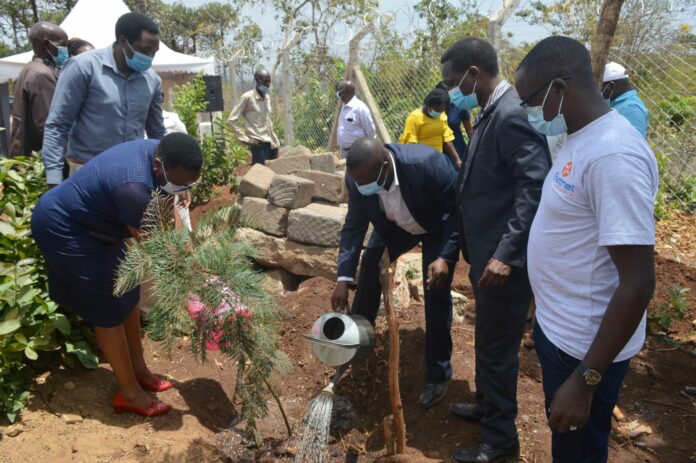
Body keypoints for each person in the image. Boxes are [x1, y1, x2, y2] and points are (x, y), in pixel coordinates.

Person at [516, 36, 657, 463]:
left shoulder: (613, 155)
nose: (527, 113)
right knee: (569, 447)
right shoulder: (580, 138)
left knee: (579, 451)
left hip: (584, 350)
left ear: (560, 88)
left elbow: (638, 281)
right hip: (562, 333)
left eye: (529, 102)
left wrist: (586, 379)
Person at [31, 133, 202, 417]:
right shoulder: (134, 189)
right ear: (158, 165)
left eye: (189, 184)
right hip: (65, 228)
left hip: (98, 226)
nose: (182, 189)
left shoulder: (166, 154)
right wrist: (192, 290)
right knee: (109, 307)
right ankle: (130, 393)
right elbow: (156, 247)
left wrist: (191, 255)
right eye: (178, 182)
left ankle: (139, 371)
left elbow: (169, 213)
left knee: (129, 293)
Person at [440, 37, 551, 463]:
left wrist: (507, 253)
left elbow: (534, 187)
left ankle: (500, 439)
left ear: (473, 74)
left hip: (504, 261)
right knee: (487, 339)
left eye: (453, 82)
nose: (451, 90)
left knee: (497, 349)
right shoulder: (489, 111)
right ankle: (487, 406)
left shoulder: (509, 114)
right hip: (487, 255)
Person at [331, 137, 459, 409]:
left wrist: (445, 257)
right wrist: (342, 278)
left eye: (367, 182)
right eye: (358, 184)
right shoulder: (358, 178)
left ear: (385, 166)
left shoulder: (426, 164)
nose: (363, 187)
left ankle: (438, 374)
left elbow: (457, 209)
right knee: (370, 265)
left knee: (435, 291)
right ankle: (357, 344)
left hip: (436, 225)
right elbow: (354, 226)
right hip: (395, 228)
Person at [42, 12, 166, 186]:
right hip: (88, 173)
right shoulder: (84, 68)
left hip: (132, 174)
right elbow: (57, 125)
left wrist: (167, 172)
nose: (150, 57)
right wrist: (53, 179)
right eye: (145, 50)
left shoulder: (151, 80)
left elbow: (157, 132)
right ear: (123, 42)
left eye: (154, 51)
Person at [9, 22, 68, 158]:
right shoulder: (42, 74)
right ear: (47, 44)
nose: (66, 50)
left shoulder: (30, 68)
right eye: (63, 45)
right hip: (38, 163)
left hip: (24, 158)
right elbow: (49, 127)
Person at [228, 69, 280, 165]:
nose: (268, 84)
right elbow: (232, 120)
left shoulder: (267, 97)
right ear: (257, 80)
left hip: (272, 143)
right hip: (259, 145)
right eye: (265, 81)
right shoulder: (247, 98)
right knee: (261, 177)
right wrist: (246, 139)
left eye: (269, 81)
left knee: (273, 176)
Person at [399, 88, 461, 168]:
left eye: (441, 111)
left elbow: (447, 140)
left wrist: (457, 160)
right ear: (429, 104)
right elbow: (410, 145)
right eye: (436, 110)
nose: (438, 113)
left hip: (438, 160)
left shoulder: (442, 116)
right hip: (421, 162)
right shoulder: (415, 117)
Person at [602, 61, 649, 137]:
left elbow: (633, 143)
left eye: (601, 87)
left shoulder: (631, 109)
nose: (599, 91)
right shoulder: (618, 104)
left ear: (611, 86)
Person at [336, 80, 376, 158]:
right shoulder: (344, 106)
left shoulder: (360, 108)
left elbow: (371, 131)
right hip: (344, 152)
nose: (337, 93)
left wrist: (365, 149)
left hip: (358, 153)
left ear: (344, 92)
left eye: (339, 91)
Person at [436, 81, 473, 159]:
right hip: (438, 147)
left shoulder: (459, 106)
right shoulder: (434, 109)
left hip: (457, 147)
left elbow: (469, 130)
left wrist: (475, 148)